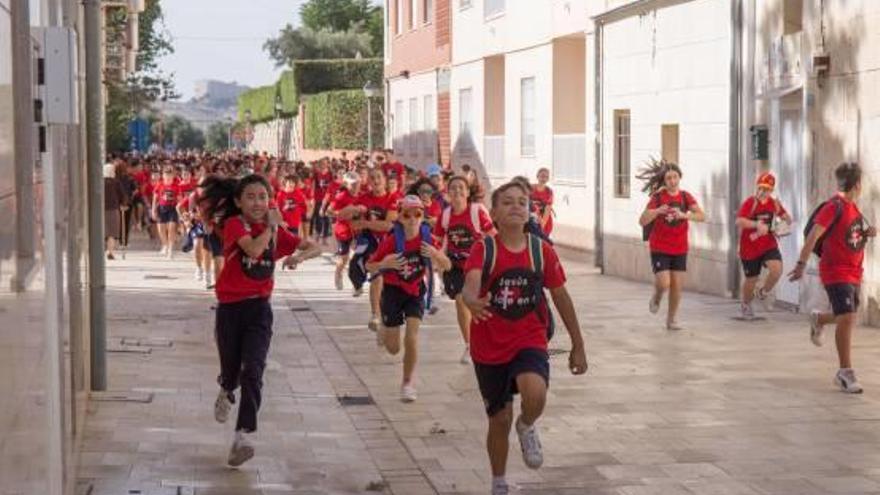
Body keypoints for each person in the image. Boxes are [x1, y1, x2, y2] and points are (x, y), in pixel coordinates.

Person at [461, 181, 587, 495]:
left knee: (536, 392)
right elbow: (470, 282)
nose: (516, 206)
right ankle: (499, 482)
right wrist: (470, 299)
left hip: (529, 338)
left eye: (522, 202)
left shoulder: (540, 250)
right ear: (493, 212)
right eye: (507, 202)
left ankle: (527, 424)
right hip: (489, 347)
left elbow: (561, 296)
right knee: (499, 419)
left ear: (530, 210)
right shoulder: (484, 248)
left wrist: (578, 345)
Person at [202, 174, 321, 467]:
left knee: (253, 371)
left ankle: (244, 435)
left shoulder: (277, 233)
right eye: (251, 197)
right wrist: (271, 226)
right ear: (238, 202)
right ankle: (225, 389)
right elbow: (254, 249)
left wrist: (298, 258)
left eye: (263, 197)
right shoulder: (234, 225)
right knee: (231, 373)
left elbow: (315, 246)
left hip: (259, 310)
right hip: (230, 310)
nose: (258, 203)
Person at [789, 162, 876, 394]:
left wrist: (867, 233)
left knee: (845, 316)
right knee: (847, 317)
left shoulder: (853, 209)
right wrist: (801, 264)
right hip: (836, 271)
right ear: (857, 184)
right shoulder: (833, 207)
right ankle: (844, 372)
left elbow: (849, 236)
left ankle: (819, 320)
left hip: (854, 271)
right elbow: (813, 236)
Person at [367, 195, 451, 402]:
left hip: (415, 291)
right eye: (407, 214)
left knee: (412, 337)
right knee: (394, 349)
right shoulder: (391, 241)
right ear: (400, 218)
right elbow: (370, 266)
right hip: (393, 293)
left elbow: (447, 265)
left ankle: (407, 382)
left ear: (423, 216)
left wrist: (435, 254)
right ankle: (384, 328)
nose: (412, 219)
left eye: (417, 214)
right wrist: (385, 263)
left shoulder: (427, 239)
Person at [434, 176, 495, 364]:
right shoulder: (445, 215)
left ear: (468, 192)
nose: (457, 191)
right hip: (455, 267)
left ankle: (488, 340)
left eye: (461, 188)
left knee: (482, 305)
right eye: (453, 188)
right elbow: (437, 241)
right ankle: (469, 346)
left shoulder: (477, 211)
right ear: (447, 193)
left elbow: (492, 235)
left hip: (478, 267)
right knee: (461, 301)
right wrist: (438, 261)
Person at [637, 162, 705, 330]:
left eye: (675, 177)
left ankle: (671, 319)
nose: (672, 181)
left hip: (680, 247)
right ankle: (657, 297)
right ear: (664, 181)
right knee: (664, 283)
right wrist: (657, 211)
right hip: (660, 247)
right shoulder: (657, 198)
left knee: (677, 286)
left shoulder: (685, 197)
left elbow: (701, 215)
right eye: (668, 178)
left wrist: (685, 215)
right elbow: (642, 220)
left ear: (679, 177)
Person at [735, 172, 791, 319]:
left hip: (768, 244)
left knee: (777, 270)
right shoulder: (750, 203)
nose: (762, 191)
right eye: (760, 188)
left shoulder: (774, 204)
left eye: (766, 189)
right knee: (751, 279)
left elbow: (787, 219)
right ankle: (746, 304)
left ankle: (763, 292)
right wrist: (755, 224)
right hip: (749, 247)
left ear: (771, 190)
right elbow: (739, 221)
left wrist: (782, 223)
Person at [327, 172, 362, 291]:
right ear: (346, 184)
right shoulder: (341, 196)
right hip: (343, 231)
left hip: (357, 230)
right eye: (352, 185)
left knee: (357, 257)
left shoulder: (361, 196)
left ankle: (356, 283)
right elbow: (329, 211)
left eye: (357, 184)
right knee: (344, 259)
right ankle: (338, 273)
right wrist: (342, 214)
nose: (355, 187)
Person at [152, 166, 181, 259]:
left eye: (170, 175)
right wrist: (153, 210)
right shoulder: (160, 184)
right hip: (161, 208)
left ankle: (171, 249)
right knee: (161, 229)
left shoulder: (177, 185)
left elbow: (180, 199)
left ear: (173, 176)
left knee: (171, 229)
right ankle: (165, 245)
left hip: (173, 208)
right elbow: (155, 198)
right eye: (166, 175)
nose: (168, 177)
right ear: (163, 176)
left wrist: (181, 211)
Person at [103, 163, 129, 260]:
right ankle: (110, 251)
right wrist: (124, 204)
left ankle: (103, 250)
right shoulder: (116, 182)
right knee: (112, 232)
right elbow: (123, 196)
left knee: (102, 231)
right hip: (113, 209)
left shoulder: (99, 182)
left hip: (100, 210)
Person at [530, 168, 554, 238]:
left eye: (546, 177)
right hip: (532, 220)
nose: (544, 179)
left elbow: (548, 209)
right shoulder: (530, 188)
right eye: (542, 176)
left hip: (545, 221)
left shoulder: (549, 191)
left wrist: (542, 224)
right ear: (537, 176)